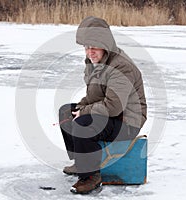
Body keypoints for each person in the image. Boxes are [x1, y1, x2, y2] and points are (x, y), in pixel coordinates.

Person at [59, 16, 147, 194]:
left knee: (83, 123)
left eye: (94, 47)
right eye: (86, 47)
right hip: (114, 114)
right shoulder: (96, 62)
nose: (89, 52)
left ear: (105, 45)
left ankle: (91, 176)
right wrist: (81, 108)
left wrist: (84, 112)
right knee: (67, 111)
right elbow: (94, 96)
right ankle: (81, 162)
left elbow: (114, 106)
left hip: (128, 121)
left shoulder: (121, 67)